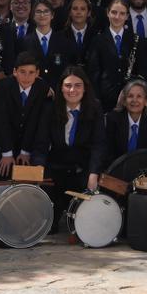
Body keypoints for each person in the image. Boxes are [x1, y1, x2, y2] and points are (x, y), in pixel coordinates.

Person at [42, 68, 105, 229]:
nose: (72, 90)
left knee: (82, 227)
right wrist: (39, 170)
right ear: (61, 88)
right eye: (68, 85)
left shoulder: (95, 107)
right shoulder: (50, 108)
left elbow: (98, 144)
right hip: (56, 169)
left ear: (85, 88)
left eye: (78, 85)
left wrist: (93, 173)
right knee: (49, 228)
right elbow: (40, 143)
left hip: (81, 170)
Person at [0, 51, 50, 177]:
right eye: (22, 72)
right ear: (15, 72)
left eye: (31, 73)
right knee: (5, 173)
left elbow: (35, 120)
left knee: (25, 178)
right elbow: (2, 120)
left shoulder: (42, 88)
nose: (27, 77)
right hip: (6, 142)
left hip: (29, 142)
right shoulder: (4, 86)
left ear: (37, 73)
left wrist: (25, 150)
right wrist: (7, 153)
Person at [100, 78, 147, 165]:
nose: (134, 100)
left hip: (145, 171)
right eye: (130, 96)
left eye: (139, 96)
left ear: (146, 101)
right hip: (118, 170)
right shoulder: (113, 119)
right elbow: (108, 152)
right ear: (124, 101)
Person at [89, 0, 139, 109]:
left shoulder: (134, 40)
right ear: (107, 13)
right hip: (105, 98)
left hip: (131, 98)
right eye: (114, 12)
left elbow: (140, 70)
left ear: (127, 16)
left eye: (122, 14)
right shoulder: (97, 40)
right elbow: (94, 73)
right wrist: (96, 100)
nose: (117, 17)